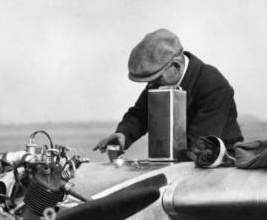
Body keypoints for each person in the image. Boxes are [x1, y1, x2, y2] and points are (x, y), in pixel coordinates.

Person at [94, 28, 243, 155]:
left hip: (219, 163)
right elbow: (140, 114)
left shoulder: (213, 84)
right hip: (182, 160)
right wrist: (123, 134)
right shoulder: (160, 83)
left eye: (156, 78)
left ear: (176, 66)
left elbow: (200, 142)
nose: (151, 85)